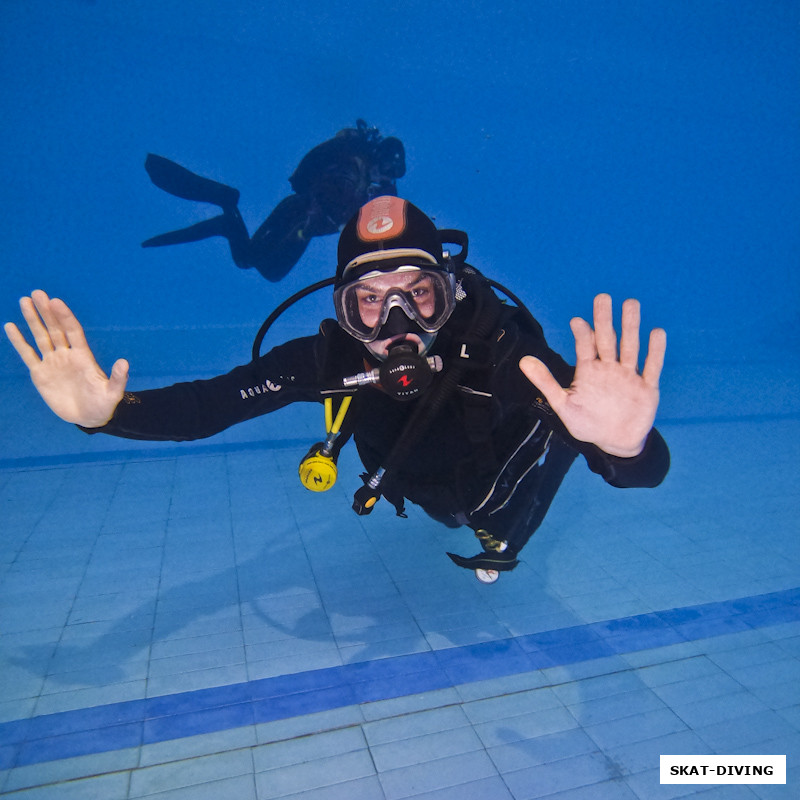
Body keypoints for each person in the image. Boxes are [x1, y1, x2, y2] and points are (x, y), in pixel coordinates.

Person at [4, 195, 669, 583]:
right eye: (369, 303)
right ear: (344, 308)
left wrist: (625, 447)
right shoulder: (329, 359)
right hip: (414, 484)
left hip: (490, 487)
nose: (396, 325)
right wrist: (108, 414)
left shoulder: (500, 351)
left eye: (418, 295)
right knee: (449, 509)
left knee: (507, 503)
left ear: (450, 291)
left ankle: (505, 533)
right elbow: (209, 406)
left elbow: (643, 472)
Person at [141, 120, 406, 282]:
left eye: (391, 176)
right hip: (299, 216)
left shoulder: (364, 177)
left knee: (261, 266)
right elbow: (335, 198)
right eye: (387, 171)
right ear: (380, 161)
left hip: (306, 222)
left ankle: (226, 217)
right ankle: (225, 207)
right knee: (263, 266)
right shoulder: (354, 167)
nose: (385, 178)